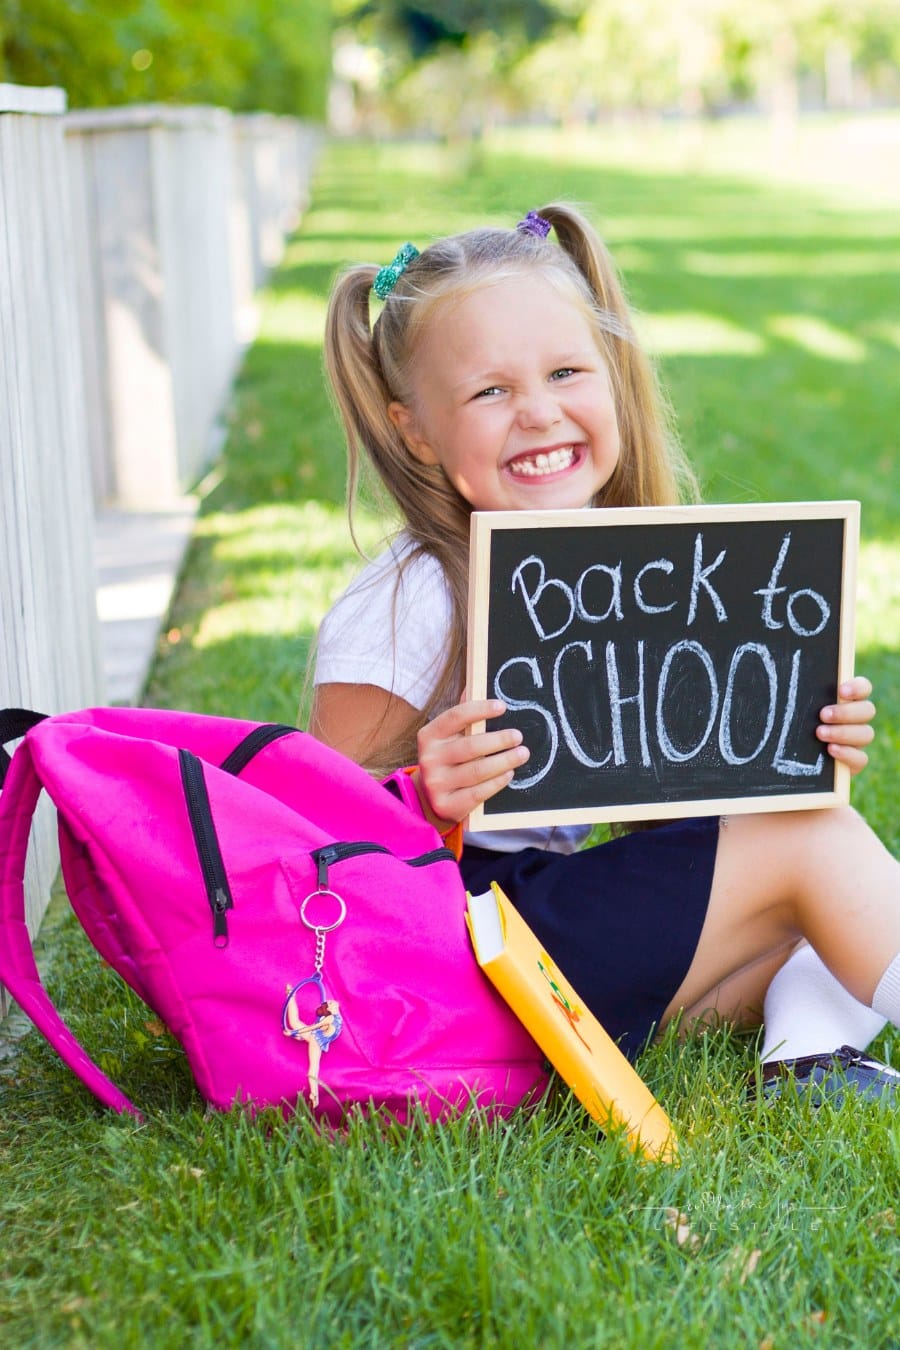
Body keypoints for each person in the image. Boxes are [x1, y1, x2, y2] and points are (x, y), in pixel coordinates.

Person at [309, 204, 900, 1103]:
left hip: (543, 951)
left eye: (565, 371)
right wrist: (428, 796)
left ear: (612, 378)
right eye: (490, 391)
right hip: (460, 966)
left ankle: (806, 1061)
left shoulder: (608, 565)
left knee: (814, 867)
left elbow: (676, 823)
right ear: (414, 430)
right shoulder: (411, 599)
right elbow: (322, 856)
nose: (540, 413)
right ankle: (811, 1044)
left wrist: (790, 740)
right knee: (814, 846)